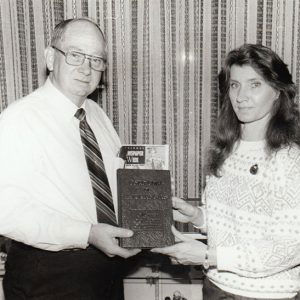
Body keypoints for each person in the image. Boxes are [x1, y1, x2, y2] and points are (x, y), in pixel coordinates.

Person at [0, 18, 140, 299]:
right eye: (75, 55)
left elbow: (114, 185)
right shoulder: (17, 120)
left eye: (96, 59)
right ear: (51, 58)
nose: (86, 69)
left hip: (106, 270)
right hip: (47, 276)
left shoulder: (97, 116)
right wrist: (86, 233)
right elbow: (6, 213)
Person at [152, 44, 300, 299]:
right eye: (234, 85)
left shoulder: (290, 161)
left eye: (255, 84)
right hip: (216, 288)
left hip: (267, 295)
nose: (241, 96)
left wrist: (209, 256)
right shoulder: (226, 151)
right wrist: (198, 216)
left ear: (277, 91)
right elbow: (235, 225)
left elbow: (288, 249)